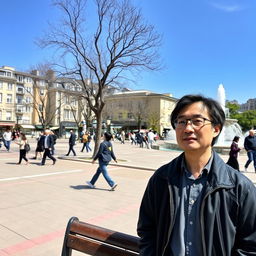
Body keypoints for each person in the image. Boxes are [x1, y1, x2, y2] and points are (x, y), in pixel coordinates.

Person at [137, 94, 256, 256]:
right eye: (181, 121)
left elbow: (251, 246)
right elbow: (147, 229)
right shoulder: (161, 178)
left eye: (197, 121)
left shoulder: (239, 187)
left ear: (216, 129)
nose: (187, 128)